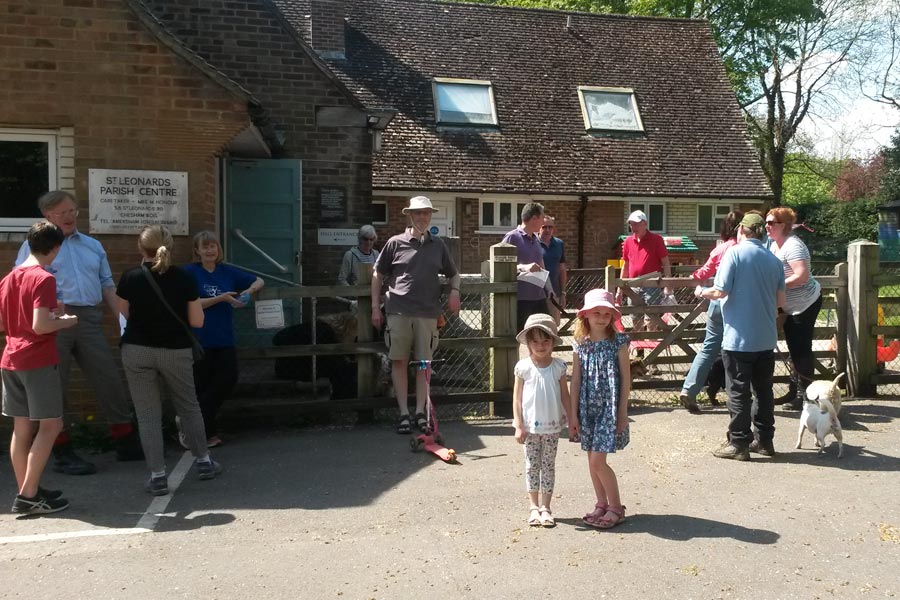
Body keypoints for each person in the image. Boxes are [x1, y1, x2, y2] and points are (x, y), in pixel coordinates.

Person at [15, 190, 140, 475]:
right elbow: (23, 284)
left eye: (73, 210)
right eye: (63, 212)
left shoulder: (92, 245)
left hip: (89, 319)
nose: (70, 216)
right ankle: (61, 449)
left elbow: (107, 285)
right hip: (52, 321)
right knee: (55, 386)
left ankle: (124, 438)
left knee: (108, 377)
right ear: (48, 216)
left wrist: (127, 321)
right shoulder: (33, 246)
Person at [116, 225, 221, 495]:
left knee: (148, 414)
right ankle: (204, 461)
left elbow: (124, 314)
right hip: (176, 350)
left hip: (137, 350)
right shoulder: (185, 278)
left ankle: (158, 475)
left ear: (141, 249)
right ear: (171, 247)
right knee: (189, 406)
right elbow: (197, 320)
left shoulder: (130, 277)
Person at [2, 221, 78, 514]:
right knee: (51, 425)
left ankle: (27, 489)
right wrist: (68, 320)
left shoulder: (10, 277)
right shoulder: (43, 278)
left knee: (21, 428)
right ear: (56, 247)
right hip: (38, 360)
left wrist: (48, 314)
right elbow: (40, 325)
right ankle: (29, 494)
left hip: (11, 358)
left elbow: (4, 322)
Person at [697, 213, 786, 460]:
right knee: (764, 391)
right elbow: (781, 303)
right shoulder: (774, 261)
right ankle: (765, 441)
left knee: (738, 392)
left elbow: (721, 290)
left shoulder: (733, 254)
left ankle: (739, 443)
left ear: (743, 231)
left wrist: (701, 291)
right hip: (766, 338)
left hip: (738, 339)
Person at [372, 196, 461, 434]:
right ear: (410, 215)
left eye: (426, 213)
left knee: (424, 364)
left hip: (427, 313)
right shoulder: (394, 243)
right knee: (399, 362)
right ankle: (403, 414)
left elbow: (454, 274)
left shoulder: (438, 245)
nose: (423, 217)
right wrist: (374, 307)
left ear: (430, 215)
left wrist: (455, 292)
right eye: (418, 213)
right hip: (398, 311)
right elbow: (377, 275)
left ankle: (421, 413)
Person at [183, 231, 264, 448]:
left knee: (227, 380)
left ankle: (190, 424)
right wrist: (221, 298)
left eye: (213, 246)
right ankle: (204, 433)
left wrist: (248, 292)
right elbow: (190, 302)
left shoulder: (226, 271)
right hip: (200, 338)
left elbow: (259, 280)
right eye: (205, 246)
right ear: (197, 251)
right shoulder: (189, 272)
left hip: (224, 338)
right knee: (201, 385)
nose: (210, 250)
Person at [569, 289, 631, 529]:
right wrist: (573, 414)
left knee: (598, 461)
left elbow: (626, 379)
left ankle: (616, 507)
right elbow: (575, 380)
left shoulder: (619, 342)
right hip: (587, 408)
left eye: (607, 313)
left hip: (609, 409)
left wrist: (622, 411)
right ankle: (601, 503)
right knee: (590, 460)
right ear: (586, 315)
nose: (602, 317)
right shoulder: (580, 344)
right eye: (596, 312)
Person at [679, 210, 744, 413]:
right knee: (739, 349)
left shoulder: (721, 249)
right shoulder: (747, 249)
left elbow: (703, 272)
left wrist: (694, 279)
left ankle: (689, 390)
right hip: (740, 304)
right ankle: (739, 397)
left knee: (708, 348)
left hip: (717, 301)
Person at [512, 313, 571, 528]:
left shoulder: (558, 367)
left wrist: (572, 419)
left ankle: (546, 507)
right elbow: (517, 398)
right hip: (529, 427)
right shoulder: (523, 367)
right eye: (535, 341)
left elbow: (565, 395)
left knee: (548, 465)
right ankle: (533, 506)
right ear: (528, 343)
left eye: (545, 340)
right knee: (531, 465)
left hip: (552, 427)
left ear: (553, 342)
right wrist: (518, 424)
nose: (540, 345)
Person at [765, 207, 823, 410]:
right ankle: (796, 392)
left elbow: (802, 276)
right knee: (793, 348)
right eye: (766, 222)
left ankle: (806, 396)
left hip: (805, 304)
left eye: (771, 223)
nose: (767, 226)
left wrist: (777, 287)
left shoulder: (793, 246)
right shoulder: (774, 245)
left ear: (784, 225)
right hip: (788, 306)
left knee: (801, 349)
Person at [616, 210, 672, 333]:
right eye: (631, 224)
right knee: (635, 318)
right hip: (633, 285)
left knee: (651, 319)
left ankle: (652, 348)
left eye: (636, 224)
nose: (633, 227)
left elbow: (665, 262)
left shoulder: (656, 239)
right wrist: (619, 290)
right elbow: (625, 265)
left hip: (652, 285)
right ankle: (640, 351)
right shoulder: (628, 242)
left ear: (644, 223)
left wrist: (668, 285)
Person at [503, 202, 550, 331]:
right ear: (534, 218)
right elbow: (500, 268)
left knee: (544, 335)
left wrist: (549, 288)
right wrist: (524, 267)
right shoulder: (512, 237)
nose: (543, 222)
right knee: (517, 339)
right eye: (542, 217)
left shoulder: (535, 239)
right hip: (521, 299)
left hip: (539, 297)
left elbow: (542, 266)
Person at [539, 216, 567, 325]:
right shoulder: (533, 243)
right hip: (537, 293)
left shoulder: (559, 244)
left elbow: (562, 269)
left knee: (553, 325)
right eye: (544, 227)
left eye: (550, 227)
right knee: (537, 326)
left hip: (554, 292)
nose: (547, 230)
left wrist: (563, 293)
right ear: (539, 228)